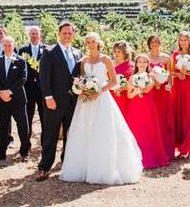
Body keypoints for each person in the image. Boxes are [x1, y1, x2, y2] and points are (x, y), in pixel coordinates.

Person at [59, 33, 143, 185]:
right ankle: (83, 169)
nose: (91, 44)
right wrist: (83, 88)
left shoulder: (106, 59)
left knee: (103, 131)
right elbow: (83, 79)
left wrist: (100, 91)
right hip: (85, 101)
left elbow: (114, 81)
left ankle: (103, 170)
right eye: (88, 42)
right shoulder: (83, 60)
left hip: (102, 99)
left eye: (93, 42)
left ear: (98, 43)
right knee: (84, 130)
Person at [35, 21, 82, 181]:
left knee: (71, 133)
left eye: (70, 33)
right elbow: (44, 77)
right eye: (64, 33)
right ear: (59, 34)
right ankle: (44, 166)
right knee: (51, 134)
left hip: (73, 102)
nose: (67, 35)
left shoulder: (78, 53)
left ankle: (66, 163)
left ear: (73, 35)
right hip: (53, 101)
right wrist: (48, 97)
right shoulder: (49, 52)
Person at [125, 54, 169, 169]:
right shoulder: (132, 76)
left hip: (147, 106)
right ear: (136, 63)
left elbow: (147, 89)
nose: (142, 64)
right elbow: (129, 95)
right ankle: (134, 158)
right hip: (134, 107)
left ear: (148, 64)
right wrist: (134, 91)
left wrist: (138, 88)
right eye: (140, 61)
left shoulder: (151, 75)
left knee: (148, 130)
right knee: (136, 130)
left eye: (145, 62)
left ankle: (149, 158)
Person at [0, 36, 31, 162]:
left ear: (14, 46)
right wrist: (1, 92)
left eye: (10, 45)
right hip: (2, 100)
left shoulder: (20, 61)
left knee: (23, 126)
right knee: (3, 127)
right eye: (5, 45)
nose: (7, 47)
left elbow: (22, 78)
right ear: (2, 46)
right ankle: (1, 153)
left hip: (17, 99)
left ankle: (24, 152)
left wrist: (10, 91)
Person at [171, 31, 190, 159]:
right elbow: (171, 72)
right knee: (178, 116)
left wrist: (186, 73)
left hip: (189, 88)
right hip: (177, 88)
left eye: (185, 40)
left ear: (189, 41)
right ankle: (181, 148)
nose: (183, 42)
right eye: (181, 40)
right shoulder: (174, 54)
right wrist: (178, 74)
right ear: (178, 41)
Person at [147, 34, 174, 163]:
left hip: (163, 92)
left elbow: (169, 76)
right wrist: (153, 82)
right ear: (149, 44)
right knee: (153, 118)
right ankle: (152, 148)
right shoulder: (145, 58)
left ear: (160, 43)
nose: (154, 44)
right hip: (151, 91)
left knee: (163, 119)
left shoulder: (166, 58)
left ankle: (166, 149)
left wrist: (169, 85)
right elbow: (143, 73)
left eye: (157, 41)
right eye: (152, 42)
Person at [18, 26, 46, 136]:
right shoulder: (23, 50)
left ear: (40, 35)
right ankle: (26, 141)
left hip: (42, 88)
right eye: (32, 34)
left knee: (43, 115)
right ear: (29, 35)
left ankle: (44, 141)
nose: (34, 36)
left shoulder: (47, 49)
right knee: (27, 115)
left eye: (36, 33)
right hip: (28, 88)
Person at [111, 41, 133, 117]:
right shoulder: (110, 64)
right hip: (111, 96)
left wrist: (122, 88)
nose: (116, 54)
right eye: (114, 51)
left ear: (125, 52)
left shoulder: (131, 66)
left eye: (119, 51)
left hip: (125, 98)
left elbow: (133, 83)